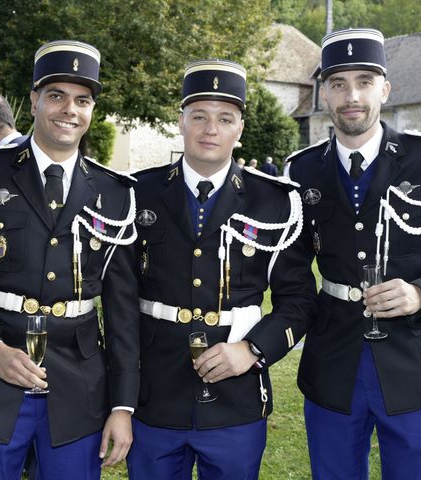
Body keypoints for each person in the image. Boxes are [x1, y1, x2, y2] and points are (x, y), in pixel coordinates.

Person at [0, 40, 140, 479]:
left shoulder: (116, 193)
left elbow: (123, 310)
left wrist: (122, 404)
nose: (69, 110)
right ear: (34, 100)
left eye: (82, 100)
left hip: (78, 391)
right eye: (56, 95)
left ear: (92, 109)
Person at [286, 28, 421, 480]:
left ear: (385, 88)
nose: (351, 95)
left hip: (416, 362)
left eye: (364, 80)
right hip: (332, 362)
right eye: (338, 83)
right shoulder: (301, 171)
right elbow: (293, 278)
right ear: (324, 93)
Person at [127, 59, 317, 479]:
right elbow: (119, 297)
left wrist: (252, 350)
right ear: (180, 122)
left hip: (237, 399)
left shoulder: (277, 202)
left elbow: (299, 300)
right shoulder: (139, 192)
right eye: (199, 116)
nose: (210, 129)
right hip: (154, 395)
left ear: (240, 129)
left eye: (225, 118)